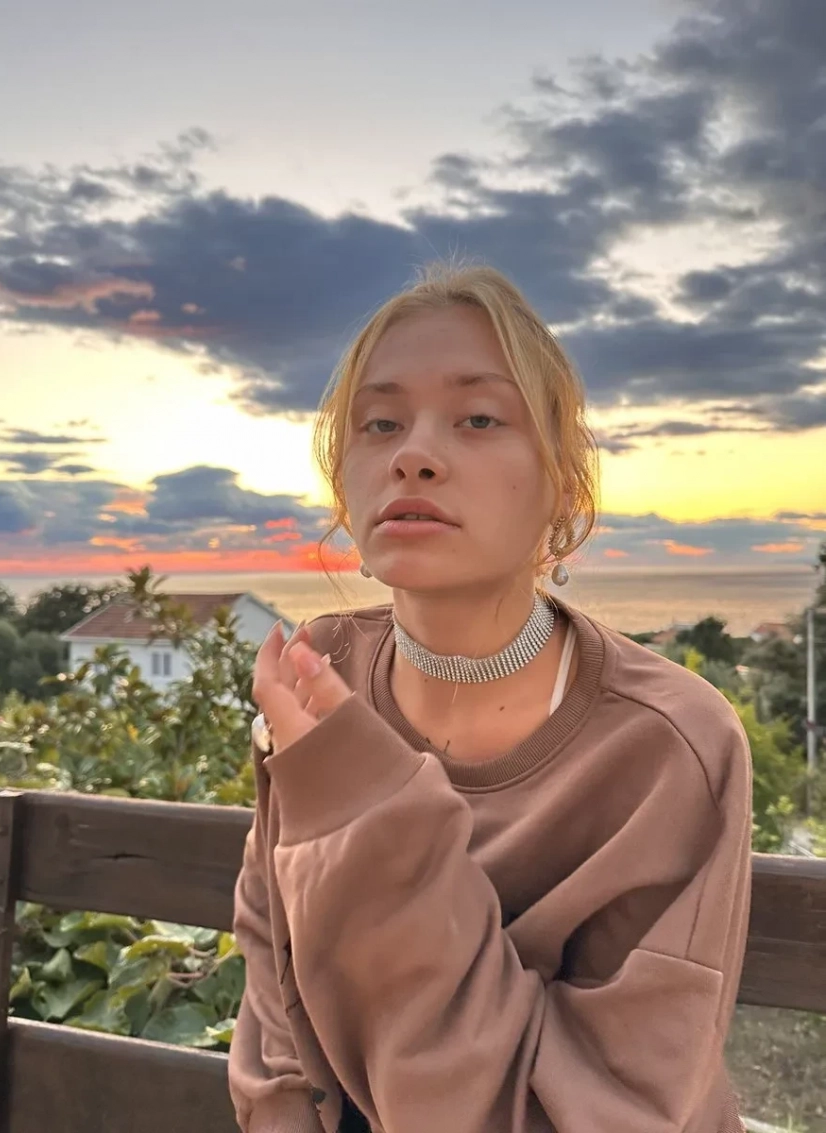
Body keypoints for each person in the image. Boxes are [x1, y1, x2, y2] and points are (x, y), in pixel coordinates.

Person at [228, 263, 752, 1133]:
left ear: (562, 488)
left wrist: (365, 803)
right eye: (380, 423)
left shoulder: (670, 746)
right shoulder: (321, 673)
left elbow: (600, 1110)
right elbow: (274, 993)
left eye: (478, 418)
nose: (414, 455)